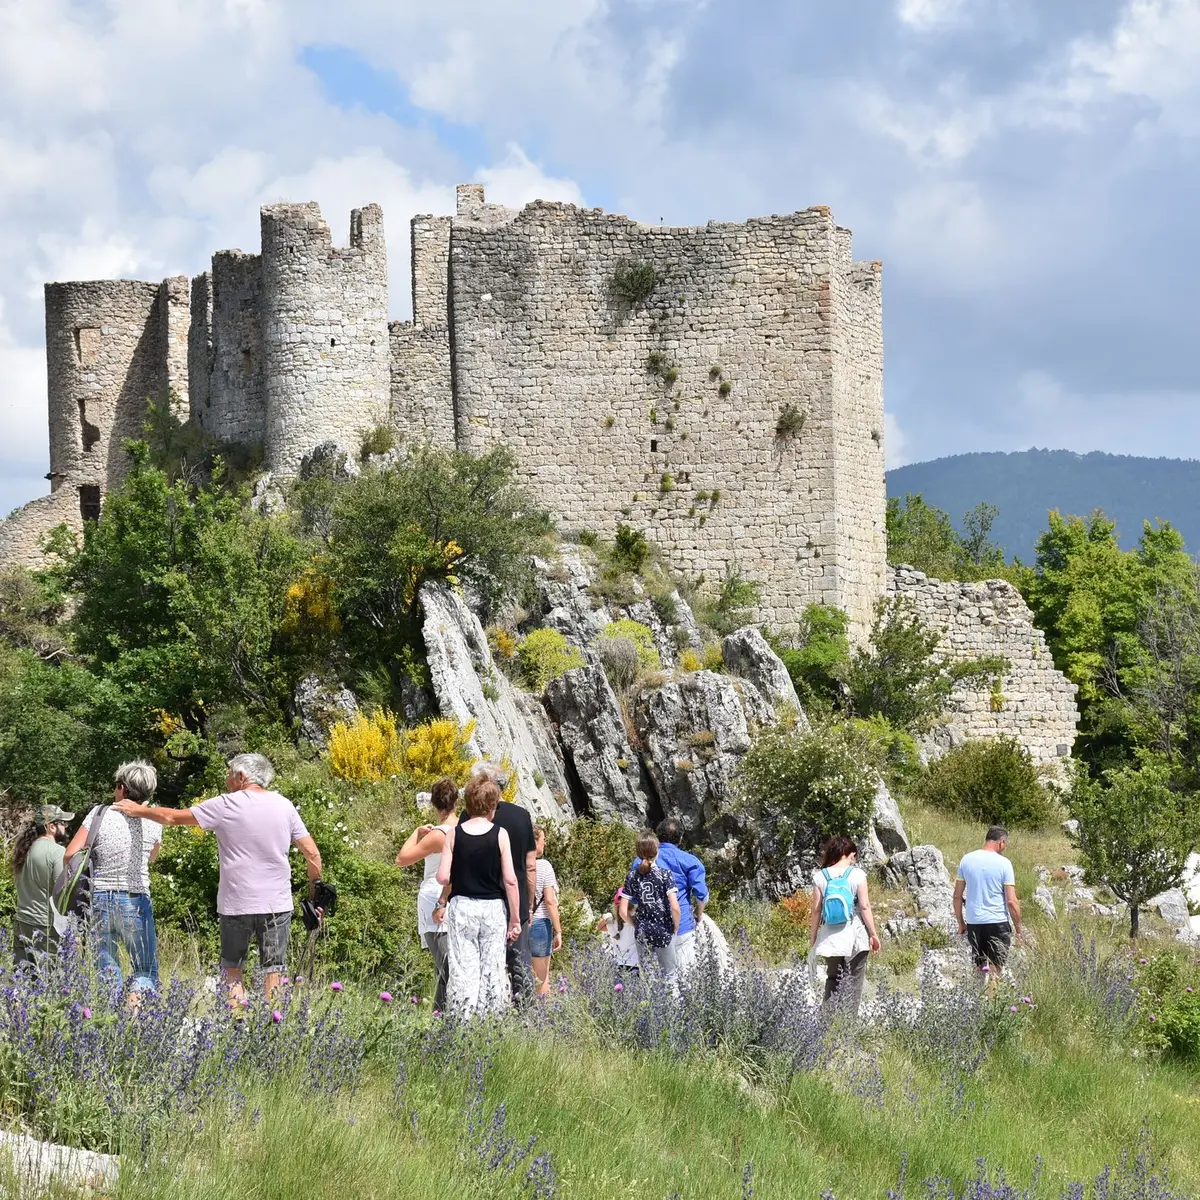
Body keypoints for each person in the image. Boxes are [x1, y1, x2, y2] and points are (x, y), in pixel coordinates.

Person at [115, 752, 323, 1004]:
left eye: (230, 774)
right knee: (274, 968)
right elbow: (312, 854)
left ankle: (235, 1026)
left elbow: (172, 817)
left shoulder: (226, 804)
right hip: (276, 904)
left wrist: (138, 811)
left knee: (232, 968)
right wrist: (314, 898)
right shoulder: (285, 806)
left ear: (241, 776)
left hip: (236, 902)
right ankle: (273, 1028)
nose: (227, 780)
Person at [64, 761, 163, 996]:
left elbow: (69, 854)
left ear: (122, 788)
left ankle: (111, 1026)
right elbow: (152, 857)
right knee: (145, 971)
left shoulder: (99, 814)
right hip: (136, 899)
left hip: (99, 900)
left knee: (107, 971)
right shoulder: (154, 820)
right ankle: (136, 1025)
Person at [434, 775, 522, 1018]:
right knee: (492, 969)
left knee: (463, 969)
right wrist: (515, 919)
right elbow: (511, 880)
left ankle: (462, 1022)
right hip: (492, 909)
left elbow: (442, 877)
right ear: (492, 805)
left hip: (462, 907)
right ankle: (489, 1024)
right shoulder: (499, 834)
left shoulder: (455, 834)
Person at [461, 765, 537, 1005]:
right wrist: (529, 903)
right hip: (516, 901)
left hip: (479, 897)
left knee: (480, 962)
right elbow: (530, 865)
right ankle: (526, 1017)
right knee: (520, 964)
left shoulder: (469, 816)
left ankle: (481, 1013)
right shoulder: (521, 815)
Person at [395, 777, 459, 1012]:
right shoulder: (462, 829)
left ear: (434, 804)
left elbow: (402, 859)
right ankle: (442, 1016)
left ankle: (442, 1016)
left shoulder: (439, 834)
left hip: (435, 896)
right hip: (456, 898)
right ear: (457, 802)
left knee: (445, 967)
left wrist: (416, 832)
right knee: (449, 966)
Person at [808, 835, 881, 1015]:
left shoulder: (820, 876)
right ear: (851, 855)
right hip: (855, 934)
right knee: (854, 980)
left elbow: (816, 911)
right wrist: (873, 934)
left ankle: (827, 1024)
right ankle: (848, 1028)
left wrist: (814, 936)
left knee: (832, 979)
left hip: (830, 936)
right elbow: (864, 906)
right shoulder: (857, 875)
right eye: (853, 856)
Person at [632, 818, 708, 975]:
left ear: (658, 837)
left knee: (655, 982)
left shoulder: (640, 862)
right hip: (682, 927)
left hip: (649, 929)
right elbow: (701, 894)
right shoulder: (690, 861)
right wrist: (699, 915)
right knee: (685, 978)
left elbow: (634, 899)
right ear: (680, 839)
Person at [954, 825, 1022, 982]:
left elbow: (957, 896)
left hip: (974, 922)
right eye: (1005, 844)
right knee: (994, 971)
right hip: (997, 922)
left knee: (979, 968)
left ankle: (978, 1003)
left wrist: (961, 923)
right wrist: (1018, 930)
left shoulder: (966, 859)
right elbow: (1011, 901)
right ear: (1001, 841)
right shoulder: (1004, 863)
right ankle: (991, 1002)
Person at [11, 804, 73, 964]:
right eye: (62, 823)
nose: (65, 827)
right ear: (51, 826)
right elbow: (63, 892)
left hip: (22, 923)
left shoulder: (24, 849)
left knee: (24, 982)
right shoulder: (57, 852)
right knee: (51, 983)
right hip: (45, 927)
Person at [620, 832, 680, 982]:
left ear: (638, 853)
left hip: (642, 932)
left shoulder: (632, 876)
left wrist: (636, 924)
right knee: (670, 975)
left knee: (648, 978)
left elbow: (622, 911)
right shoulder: (665, 874)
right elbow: (675, 907)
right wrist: (676, 926)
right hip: (663, 928)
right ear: (657, 851)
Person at [529, 826, 562, 996]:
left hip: (518, 924)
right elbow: (549, 900)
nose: (545, 843)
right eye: (543, 839)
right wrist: (558, 930)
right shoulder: (544, 866)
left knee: (521, 974)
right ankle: (541, 1016)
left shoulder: (515, 863)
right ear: (535, 842)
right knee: (542, 978)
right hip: (540, 923)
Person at [596, 887, 639, 973]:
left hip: (619, 965)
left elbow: (599, 927)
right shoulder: (635, 923)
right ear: (632, 908)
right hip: (634, 965)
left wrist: (606, 918)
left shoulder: (612, 924)